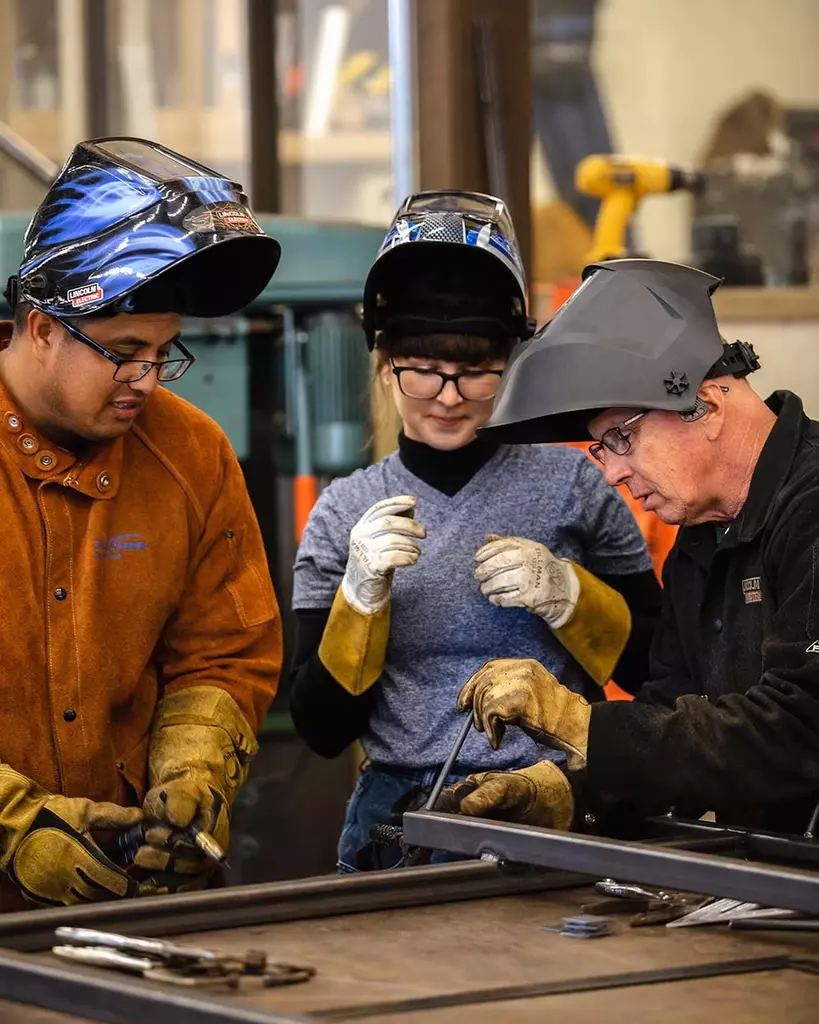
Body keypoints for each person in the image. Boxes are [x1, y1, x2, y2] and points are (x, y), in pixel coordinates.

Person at [289, 192, 661, 871]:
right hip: (396, 812)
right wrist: (359, 599)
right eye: (423, 372)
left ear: (509, 361)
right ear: (382, 362)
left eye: (475, 371)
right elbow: (320, 730)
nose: (450, 396)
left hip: (553, 798)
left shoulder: (573, 484)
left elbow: (662, 671)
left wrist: (571, 597)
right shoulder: (346, 512)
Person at [0, 137, 282, 911]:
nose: (146, 381)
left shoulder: (190, 452)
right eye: (124, 352)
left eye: (163, 352)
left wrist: (193, 772)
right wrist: (13, 825)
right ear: (45, 326)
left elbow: (223, 651)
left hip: (122, 900)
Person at [447, 257, 819, 837]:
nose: (612, 474)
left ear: (709, 406)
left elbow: (801, 729)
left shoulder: (812, 509)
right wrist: (567, 797)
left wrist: (578, 721)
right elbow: (671, 718)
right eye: (602, 449)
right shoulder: (699, 542)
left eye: (622, 438)